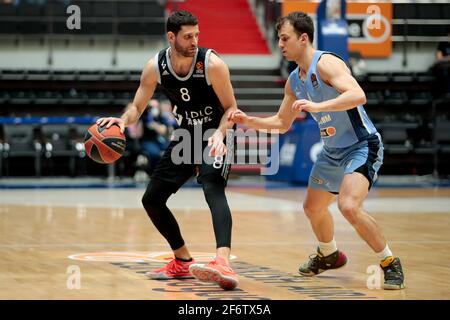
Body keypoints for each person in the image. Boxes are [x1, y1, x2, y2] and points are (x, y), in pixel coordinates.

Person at [229, 11, 405, 290]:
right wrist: (248, 121)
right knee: (312, 208)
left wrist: (319, 106)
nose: (281, 44)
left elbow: (358, 95)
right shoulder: (294, 81)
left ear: (304, 37)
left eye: (285, 38)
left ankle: (389, 262)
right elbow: (282, 123)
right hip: (332, 152)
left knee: (348, 206)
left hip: (361, 145)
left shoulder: (326, 63)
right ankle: (329, 254)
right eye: (278, 39)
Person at [97, 11, 239, 290]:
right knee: (152, 198)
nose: (195, 41)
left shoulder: (213, 65)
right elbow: (138, 106)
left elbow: (231, 108)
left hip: (215, 133)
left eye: (197, 35)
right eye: (188, 36)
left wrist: (221, 135)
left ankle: (223, 260)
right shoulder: (156, 67)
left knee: (212, 186)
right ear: (171, 37)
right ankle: (182, 259)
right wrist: (123, 121)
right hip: (186, 135)